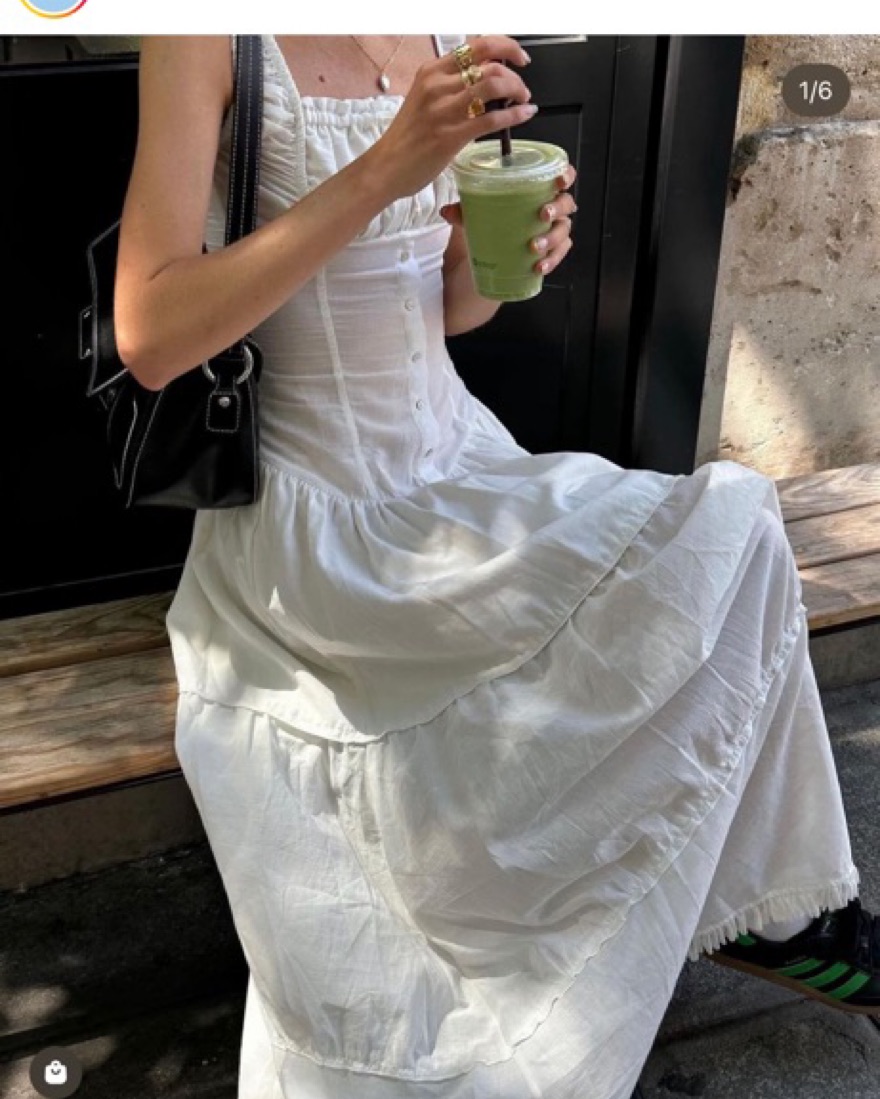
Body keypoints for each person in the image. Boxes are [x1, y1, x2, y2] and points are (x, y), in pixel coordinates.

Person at [114, 34, 879, 1099]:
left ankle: (777, 909)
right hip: (319, 523)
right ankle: (707, 918)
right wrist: (386, 166)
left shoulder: (434, 31)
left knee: (735, 532)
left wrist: (492, 254)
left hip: (459, 466)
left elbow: (444, 307)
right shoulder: (205, 34)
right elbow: (150, 336)